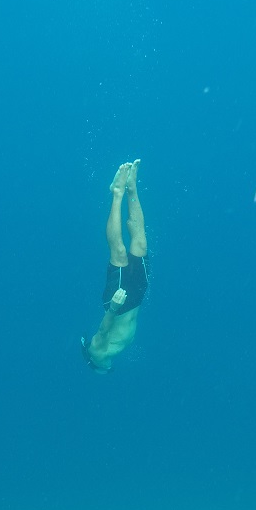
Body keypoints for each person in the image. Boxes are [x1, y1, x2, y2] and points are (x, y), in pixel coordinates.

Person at [81, 158, 149, 374]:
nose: (107, 369)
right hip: (136, 298)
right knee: (140, 242)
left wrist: (113, 307)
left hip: (118, 304)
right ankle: (132, 188)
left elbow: (102, 332)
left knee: (119, 252)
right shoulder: (109, 355)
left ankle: (118, 191)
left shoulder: (98, 354)